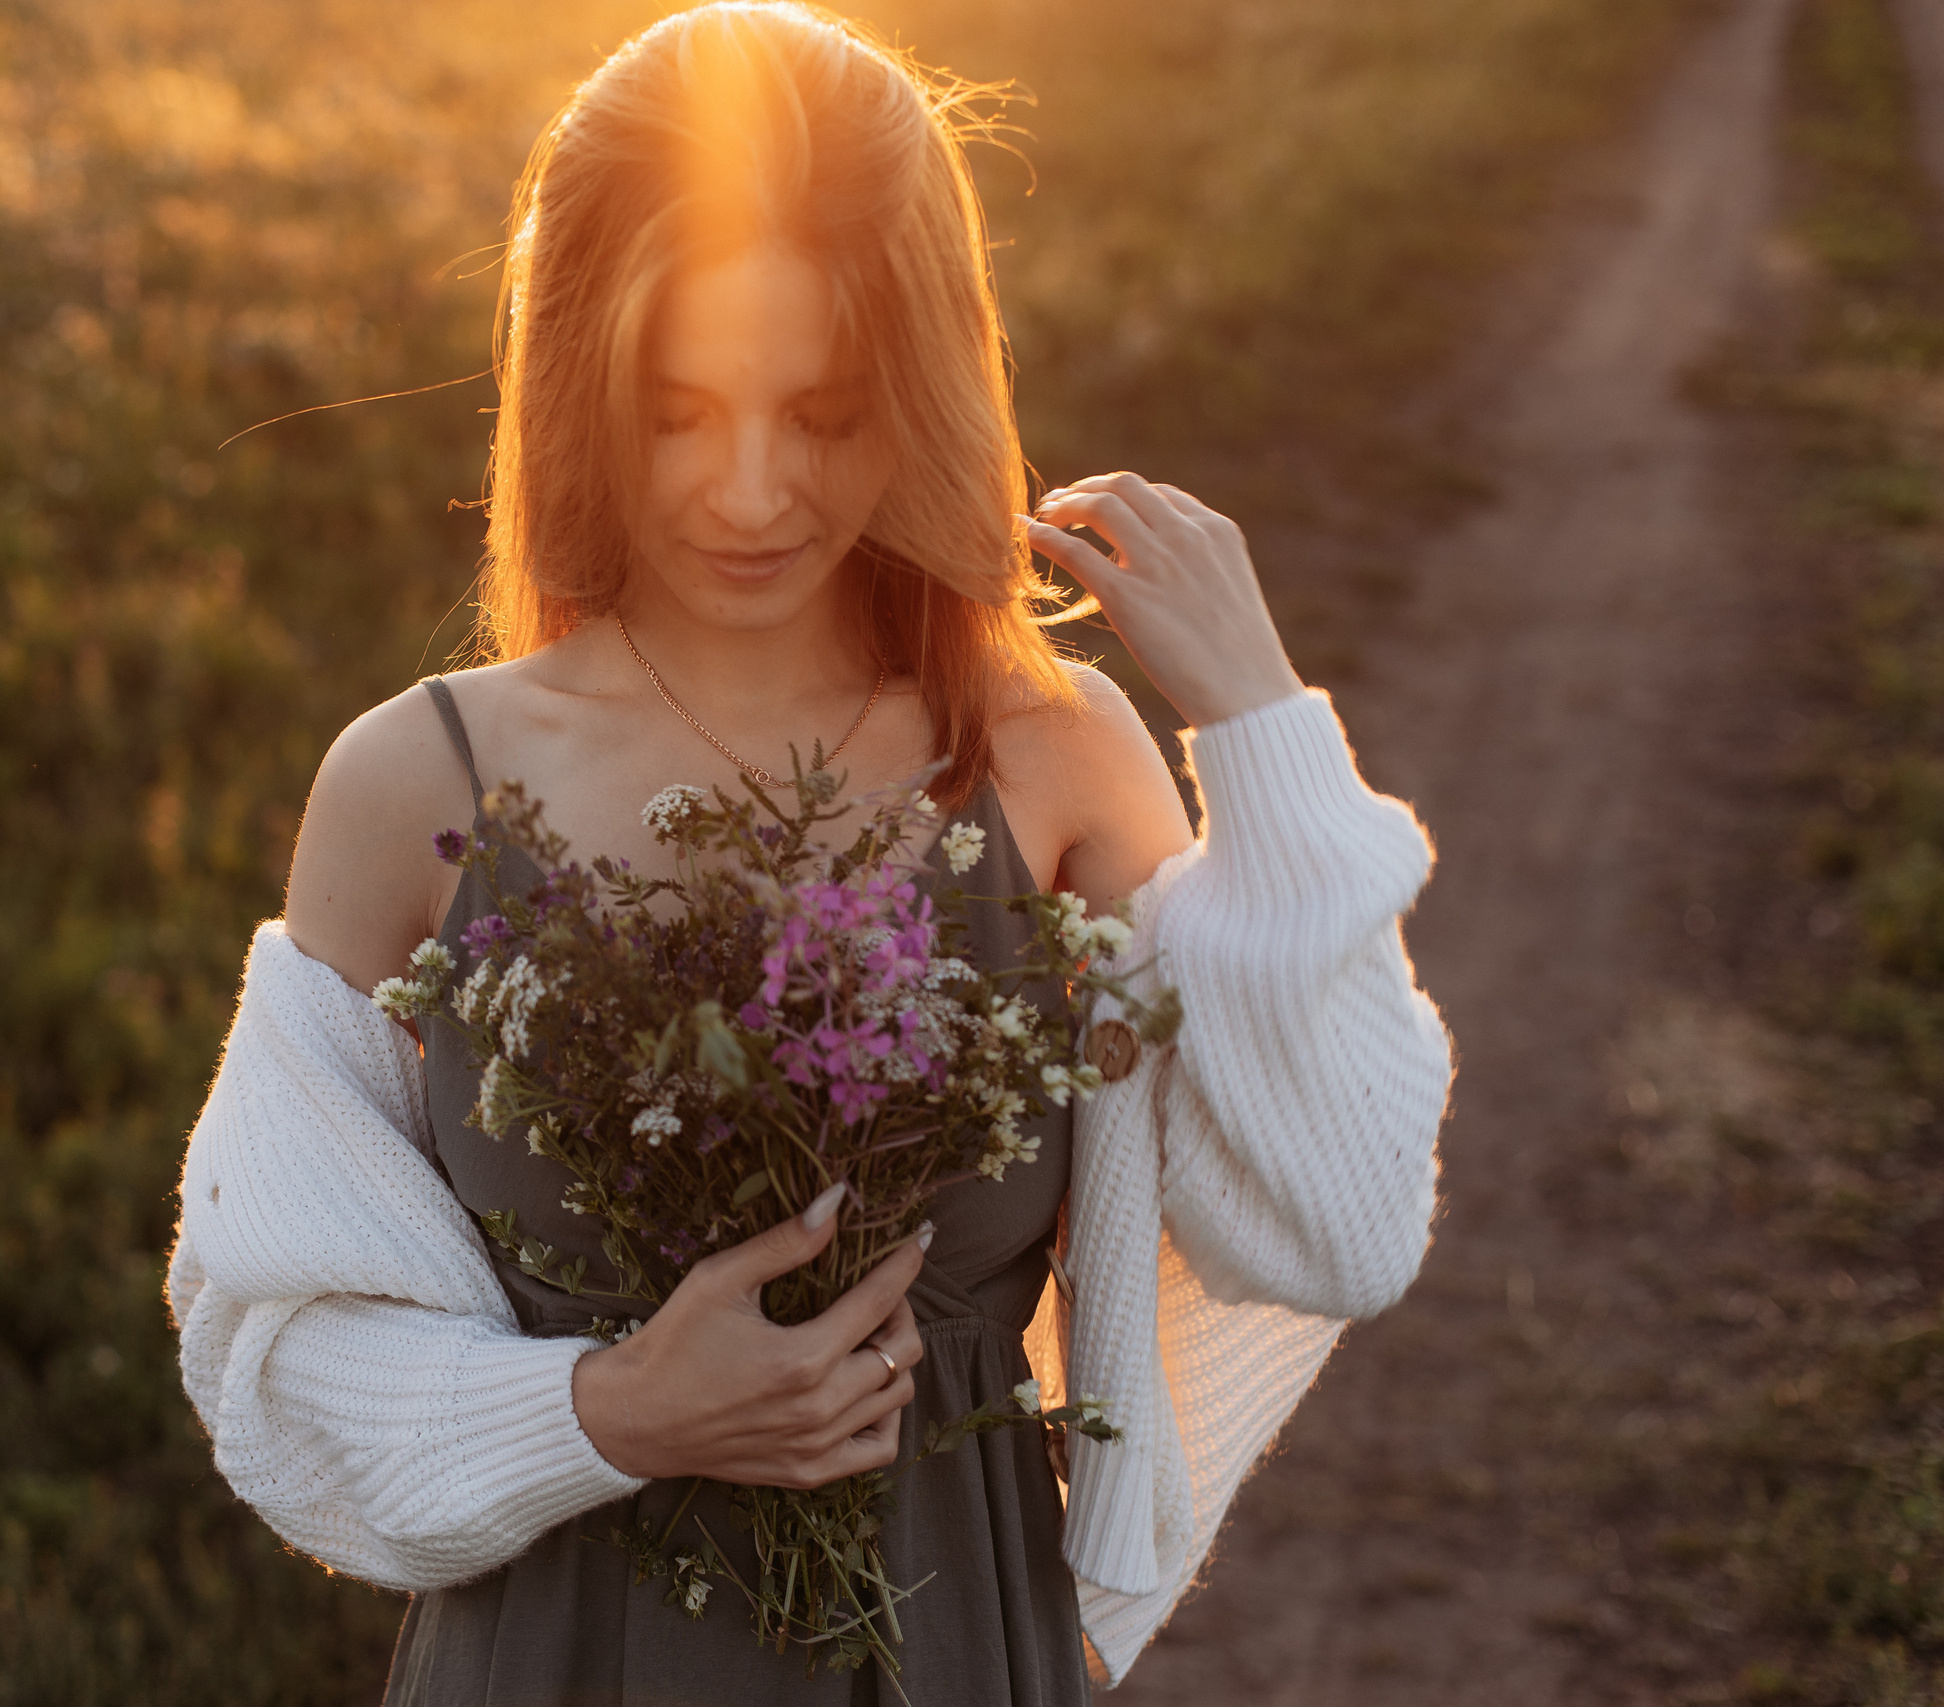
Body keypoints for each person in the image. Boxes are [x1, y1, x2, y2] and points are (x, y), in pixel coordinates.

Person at [166, 4, 1453, 1701]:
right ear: (577, 387)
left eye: (827, 411)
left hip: (947, 1653)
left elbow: (1345, 1225)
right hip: (555, 1663)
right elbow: (273, 1356)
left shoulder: (1048, 758)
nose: (752, 490)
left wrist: (1263, 728)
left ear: (923, 387)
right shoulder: (420, 784)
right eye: (678, 411)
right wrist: (609, 1412)